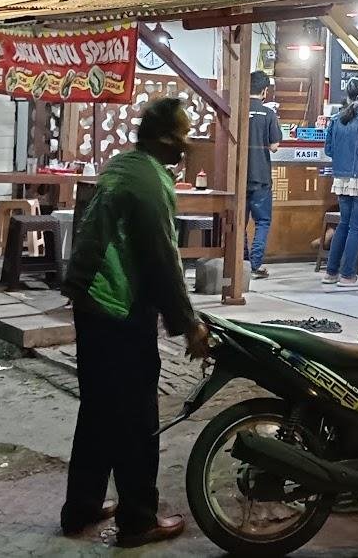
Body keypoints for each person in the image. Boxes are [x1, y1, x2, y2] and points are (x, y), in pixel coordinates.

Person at [60, 97, 209, 547]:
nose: (188, 142)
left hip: (89, 301)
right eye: (184, 133)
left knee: (98, 410)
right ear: (165, 138)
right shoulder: (149, 182)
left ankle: (81, 508)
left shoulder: (123, 166)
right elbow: (161, 260)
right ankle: (139, 520)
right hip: (118, 308)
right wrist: (189, 323)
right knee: (136, 417)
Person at [322, 77, 358, 288]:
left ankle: (331, 273)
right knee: (356, 228)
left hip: (341, 178)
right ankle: (348, 276)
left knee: (343, 225)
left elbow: (328, 150)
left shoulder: (336, 119)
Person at [245, 70, 283, 279]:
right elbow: (275, 145)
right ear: (264, 91)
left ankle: (241, 262)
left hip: (239, 176)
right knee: (262, 222)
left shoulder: (238, 110)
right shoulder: (268, 113)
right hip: (260, 176)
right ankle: (255, 264)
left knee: (238, 222)